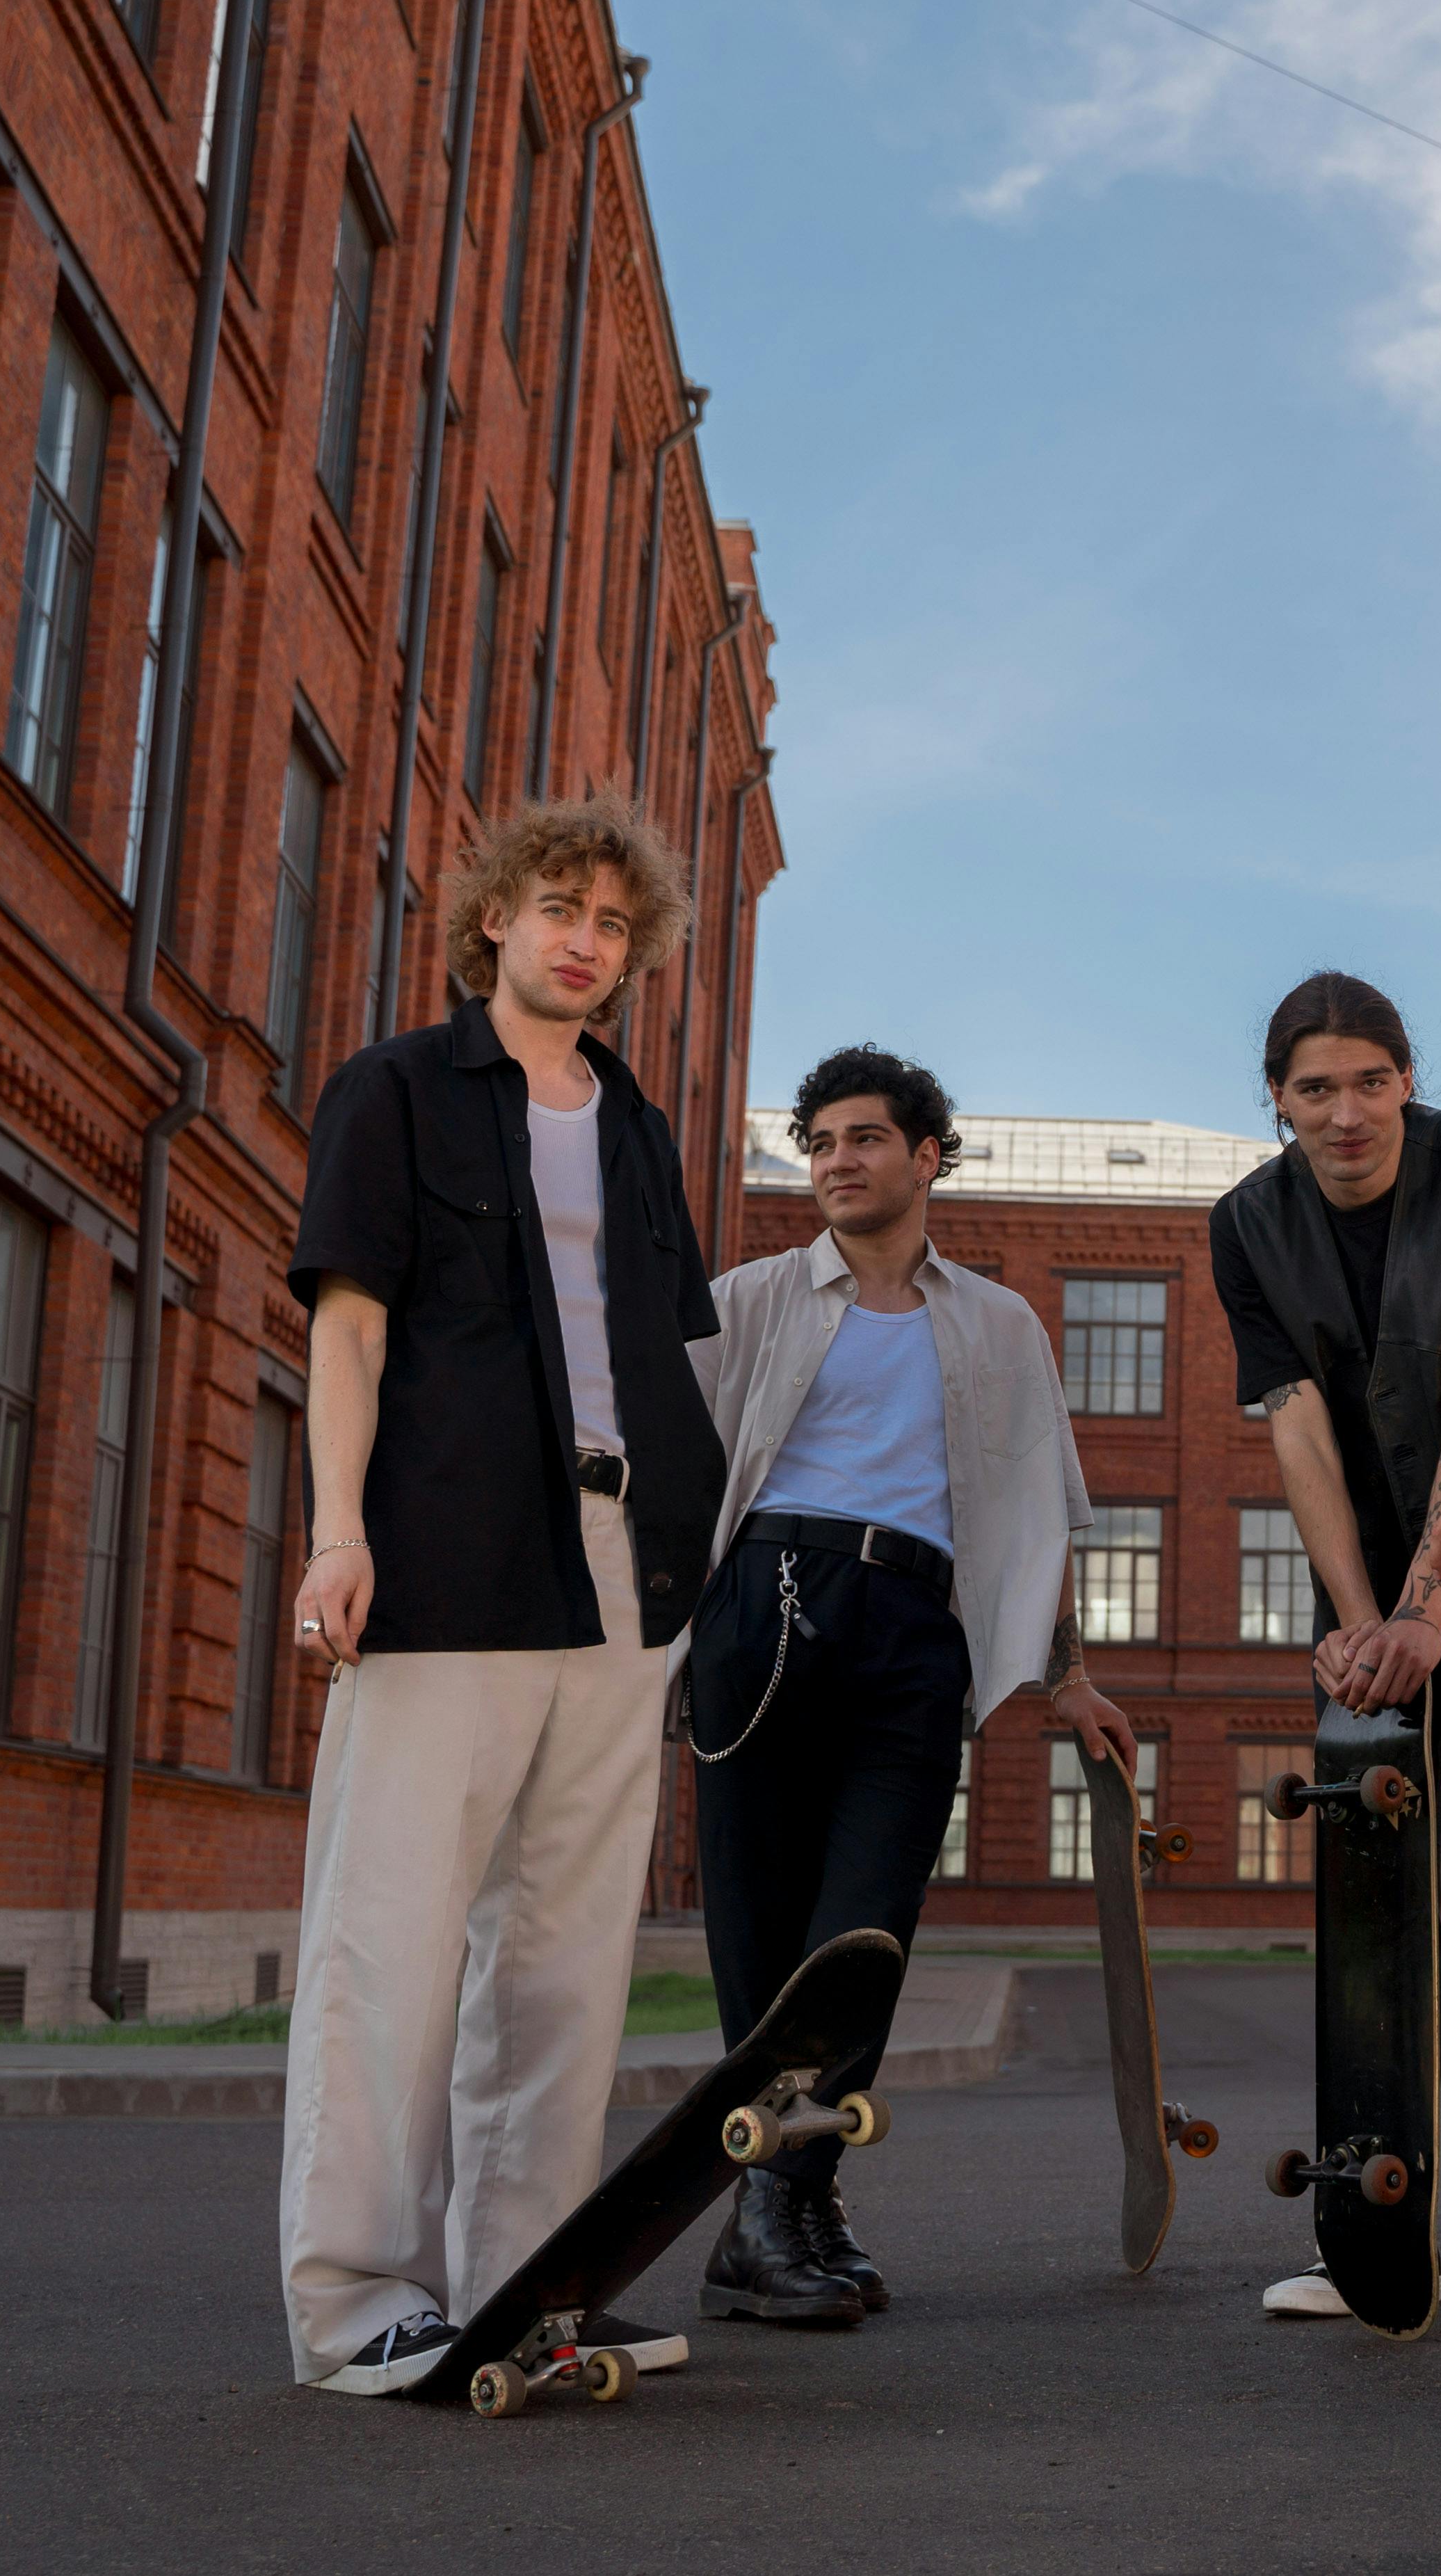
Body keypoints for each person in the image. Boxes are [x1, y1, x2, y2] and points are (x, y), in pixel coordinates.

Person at [277, 790, 727, 2397]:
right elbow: (347, 1323)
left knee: (563, 1956)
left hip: (626, 1575)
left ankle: (528, 2285)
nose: (586, 941)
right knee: (386, 1940)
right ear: (494, 918)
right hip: (451, 1556)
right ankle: (351, 2303)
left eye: (613, 922)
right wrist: (339, 1529)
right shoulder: (394, 1091)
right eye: (560, 908)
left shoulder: (633, 1123)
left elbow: (666, 1349)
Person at [677, 1046, 1130, 2324]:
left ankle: (779, 2200)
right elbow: (659, 1480)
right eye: (818, 1141)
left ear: (927, 1155)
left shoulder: (997, 1322)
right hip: (766, 1606)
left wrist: (1070, 1675)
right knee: (762, 1932)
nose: (836, 1161)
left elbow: (1040, 1517)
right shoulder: (747, 1298)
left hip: (915, 1630)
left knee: (864, 1935)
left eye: (864, 1138)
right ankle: (779, 2205)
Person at [1205, 974, 1441, 2323]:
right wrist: (1360, 1620)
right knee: (1364, 1869)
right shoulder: (1245, 1221)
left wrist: (1428, 1610)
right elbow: (1294, 1423)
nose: (1346, 1111)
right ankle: (1373, 2205)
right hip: (1371, 1577)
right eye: (1316, 1088)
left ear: (1405, 1081)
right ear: (1280, 1101)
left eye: (1369, 1080)